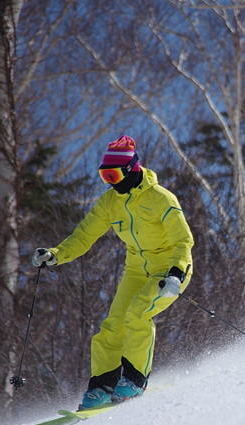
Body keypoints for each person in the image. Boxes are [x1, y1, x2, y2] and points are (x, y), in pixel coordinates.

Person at [32, 135, 194, 409]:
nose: (110, 182)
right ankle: (101, 389)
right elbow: (83, 236)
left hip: (169, 270)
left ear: (131, 168)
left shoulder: (161, 198)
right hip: (135, 271)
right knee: (112, 327)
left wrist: (177, 273)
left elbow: (183, 240)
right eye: (104, 176)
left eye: (113, 174)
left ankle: (134, 381)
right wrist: (56, 255)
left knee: (138, 313)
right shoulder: (109, 202)